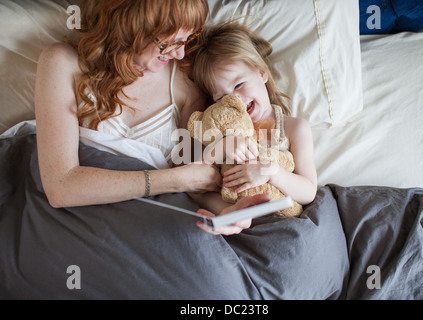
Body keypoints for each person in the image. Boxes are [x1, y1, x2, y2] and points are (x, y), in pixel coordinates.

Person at [34, 0, 268, 234]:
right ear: (132, 27)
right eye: (169, 43)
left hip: (151, 224)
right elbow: (60, 187)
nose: (180, 52)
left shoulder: (184, 86)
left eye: (188, 40)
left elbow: (196, 182)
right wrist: (172, 180)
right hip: (76, 223)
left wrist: (227, 211)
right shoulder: (62, 62)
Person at [190, 22, 318, 234]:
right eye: (222, 97)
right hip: (240, 225)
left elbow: (308, 191)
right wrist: (229, 211)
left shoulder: (294, 128)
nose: (236, 100)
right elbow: (196, 185)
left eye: (239, 85)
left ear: (262, 73)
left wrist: (270, 172)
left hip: (285, 224)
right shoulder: (222, 135)